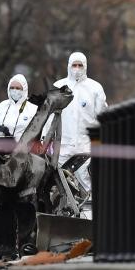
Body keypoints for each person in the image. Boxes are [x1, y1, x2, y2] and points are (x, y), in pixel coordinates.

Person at [52, 52, 107, 186]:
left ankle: (91, 207)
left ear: (85, 66)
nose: (77, 68)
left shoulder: (95, 88)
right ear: (69, 66)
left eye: (80, 65)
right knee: (60, 186)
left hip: (85, 148)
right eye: (74, 65)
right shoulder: (58, 87)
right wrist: (45, 140)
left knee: (88, 186)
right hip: (62, 147)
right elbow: (49, 117)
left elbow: (103, 118)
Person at [0, 73, 37, 140]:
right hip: (2, 148)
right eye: (12, 88)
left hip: (24, 149)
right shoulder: (2, 105)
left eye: (18, 88)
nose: (14, 90)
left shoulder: (32, 109)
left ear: (24, 89)